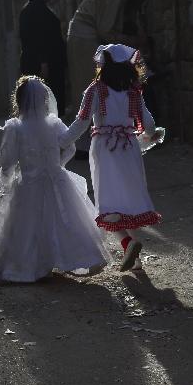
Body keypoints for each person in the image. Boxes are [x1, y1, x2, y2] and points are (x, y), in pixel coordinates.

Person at [0, 75, 110, 283]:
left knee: (28, 226)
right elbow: (69, 146)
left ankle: (32, 266)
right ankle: (71, 258)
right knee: (63, 221)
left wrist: (6, 177)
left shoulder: (15, 127)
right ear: (44, 100)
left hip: (29, 184)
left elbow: (7, 161)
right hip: (56, 179)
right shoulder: (54, 123)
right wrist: (58, 166)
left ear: (19, 100)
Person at [61, 44, 164, 272]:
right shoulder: (133, 92)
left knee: (109, 207)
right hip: (128, 148)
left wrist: (60, 141)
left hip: (104, 150)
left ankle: (128, 244)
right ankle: (135, 257)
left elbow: (81, 122)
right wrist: (150, 135)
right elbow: (148, 124)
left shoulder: (95, 90)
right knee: (129, 202)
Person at [66, 0, 155, 150]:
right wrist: (134, 42)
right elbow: (106, 31)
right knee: (88, 86)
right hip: (84, 39)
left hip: (84, 37)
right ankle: (83, 143)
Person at [19, 0, 67, 116]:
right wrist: (43, 63)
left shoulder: (42, 9)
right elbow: (33, 40)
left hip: (50, 63)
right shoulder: (31, 11)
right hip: (40, 65)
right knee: (42, 105)